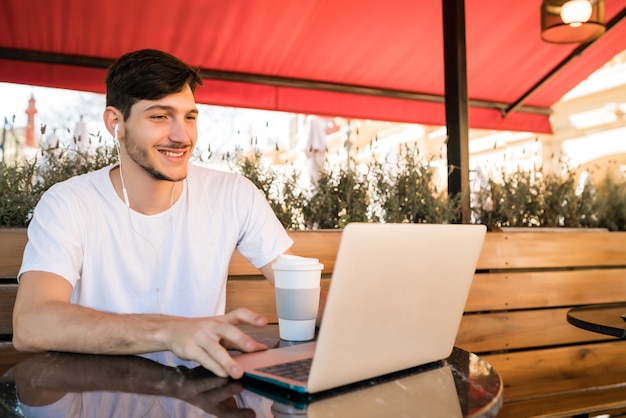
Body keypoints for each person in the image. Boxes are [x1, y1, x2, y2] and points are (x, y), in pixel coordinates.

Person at [12, 49, 294, 380]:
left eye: (189, 117)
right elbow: (32, 324)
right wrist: (169, 332)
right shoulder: (68, 203)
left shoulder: (233, 194)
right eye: (160, 116)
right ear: (115, 124)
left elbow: (300, 287)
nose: (182, 136)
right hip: (99, 400)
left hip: (202, 399)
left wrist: (359, 317)